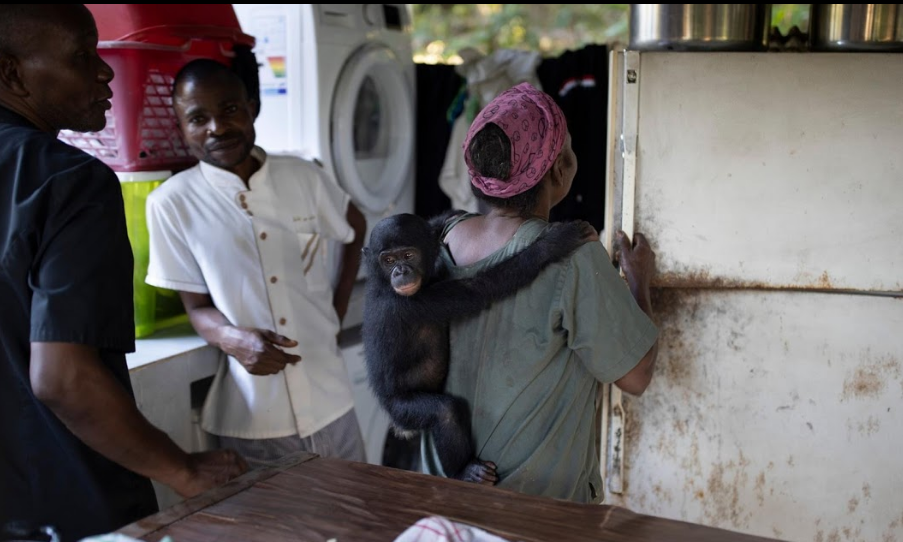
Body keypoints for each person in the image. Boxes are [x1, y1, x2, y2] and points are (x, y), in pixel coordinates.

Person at [0, 5, 248, 541]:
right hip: (63, 505)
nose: (105, 72)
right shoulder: (69, 181)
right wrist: (183, 471)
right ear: (10, 72)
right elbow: (63, 378)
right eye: (83, 56)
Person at [420, 82, 660, 503]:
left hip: (444, 499)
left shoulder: (440, 241)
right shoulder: (572, 257)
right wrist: (640, 283)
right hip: (533, 512)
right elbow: (636, 375)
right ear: (558, 171)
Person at [145, 59, 369, 469]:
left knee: (362, 522)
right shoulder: (171, 203)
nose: (217, 127)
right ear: (181, 128)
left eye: (230, 109)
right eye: (198, 118)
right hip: (255, 416)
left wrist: (333, 315)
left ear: (252, 108)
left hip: (331, 398)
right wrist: (232, 339)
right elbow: (195, 307)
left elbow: (354, 225)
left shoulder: (303, 177)